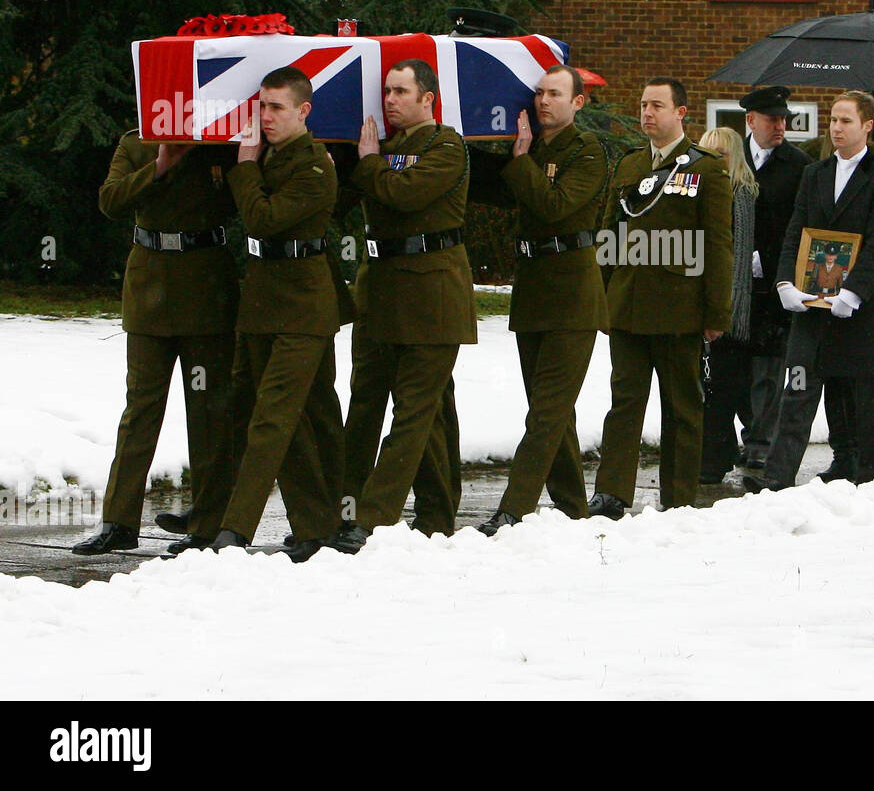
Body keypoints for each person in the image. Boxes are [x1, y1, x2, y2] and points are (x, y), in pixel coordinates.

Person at [328, 60, 477, 553]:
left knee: (413, 411)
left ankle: (371, 519)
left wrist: (368, 161)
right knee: (371, 405)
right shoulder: (381, 148)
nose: (389, 100)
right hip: (380, 289)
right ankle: (367, 511)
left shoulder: (446, 146)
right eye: (385, 91)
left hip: (433, 293)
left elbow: (405, 194)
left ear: (427, 98)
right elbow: (334, 201)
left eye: (400, 91)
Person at [73, 133, 239, 556]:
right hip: (150, 286)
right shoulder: (137, 145)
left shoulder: (220, 145)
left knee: (207, 408)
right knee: (141, 407)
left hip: (205, 287)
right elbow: (110, 201)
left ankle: (206, 518)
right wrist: (159, 166)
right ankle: (119, 520)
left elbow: (241, 206)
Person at [211, 67, 345, 561]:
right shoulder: (273, 155)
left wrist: (243, 167)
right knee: (298, 418)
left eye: (277, 108)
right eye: (262, 107)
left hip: (302, 307)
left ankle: (236, 529)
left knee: (273, 418)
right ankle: (317, 526)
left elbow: (263, 219)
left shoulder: (314, 166)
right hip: (263, 301)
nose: (265, 117)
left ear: (303, 111)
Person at [468, 64, 609, 534]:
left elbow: (553, 205)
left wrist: (521, 157)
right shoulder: (528, 148)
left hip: (573, 291)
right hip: (533, 288)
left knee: (547, 409)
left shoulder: (586, 150)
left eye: (555, 94)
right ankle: (573, 509)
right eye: (540, 93)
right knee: (550, 408)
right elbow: (493, 188)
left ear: (577, 103)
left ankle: (514, 508)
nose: (544, 101)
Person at [742, 91, 874, 493]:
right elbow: (796, 229)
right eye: (832, 119)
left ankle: (864, 474)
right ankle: (777, 477)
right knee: (798, 388)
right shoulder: (814, 174)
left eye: (846, 120)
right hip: (812, 303)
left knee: (860, 394)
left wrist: (853, 293)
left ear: (867, 125)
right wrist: (784, 281)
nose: (836, 127)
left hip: (860, 309)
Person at [588, 78, 733, 519]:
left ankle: (678, 495)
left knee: (682, 406)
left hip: (679, 307)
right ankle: (612, 491)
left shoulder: (706, 169)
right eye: (643, 105)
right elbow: (610, 233)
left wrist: (716, 311)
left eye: (657, 106)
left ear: (681, 112)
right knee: (625, 402)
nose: (647, 113)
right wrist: (602, 293)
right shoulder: (631, 165)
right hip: (628, 304)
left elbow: (718, 245)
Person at [739, 86, 813, 472]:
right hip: (736, 281)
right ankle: (747, 430)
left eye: (783, 119)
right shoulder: (732, 160)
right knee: (736, 366)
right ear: (751, 120)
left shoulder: (798, 165)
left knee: (769, 365)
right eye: (772, 119)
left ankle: (760, 441)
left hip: (775, 280)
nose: (780, 126)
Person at [697, 126, 759, 484]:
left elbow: (737, 260)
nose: (714, 160)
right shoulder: (707, 191)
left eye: (721, 154)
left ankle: (714, 460)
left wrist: (725, 311)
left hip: (731, 312)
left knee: (721, 390)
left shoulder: (741, 194)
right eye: (708, 153)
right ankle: (719, 454)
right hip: (708, 304)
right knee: (712, 390)